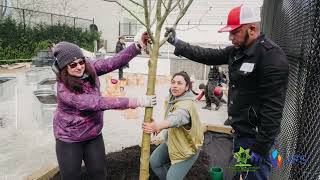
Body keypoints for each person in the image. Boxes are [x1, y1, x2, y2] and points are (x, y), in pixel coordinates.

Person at [164, 4, 289, 180]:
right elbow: (207, 54)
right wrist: (177, 43)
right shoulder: (238, 51)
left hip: (254, 139)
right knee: (242, 173)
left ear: (252, 29)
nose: (230, 37)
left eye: (234, 32)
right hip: (241, 133)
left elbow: (273, 109)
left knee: (252, 175)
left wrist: (261, 147)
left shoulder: (272, 58)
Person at [51, 32, 156, 180]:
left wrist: (137, 45)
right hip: (69, 139)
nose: (79, 67)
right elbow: (97, 103)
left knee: (99, 175)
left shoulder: (89, 68)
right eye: (73, 65)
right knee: (71, 177)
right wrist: (135, 101)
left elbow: (113, 62)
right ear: (63, 68)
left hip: (93, 134)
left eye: (81, 61)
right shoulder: (65, 90)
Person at [143, 71, 203, 180]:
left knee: (171, 178)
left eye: (179, 83)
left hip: (187, 149)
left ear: (187, 87)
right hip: (174, 141)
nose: (175, 86)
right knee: (155, 162)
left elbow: (177, 118)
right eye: (173, 82)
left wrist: (158, 126)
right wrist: (160, 125)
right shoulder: (173, 99)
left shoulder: (186, 106)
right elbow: (171, 117)